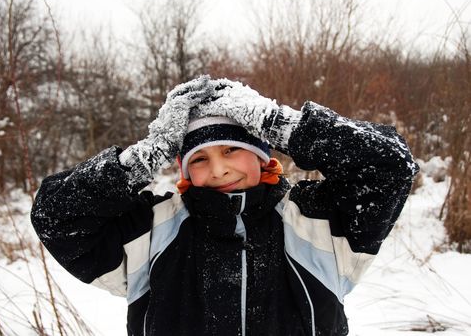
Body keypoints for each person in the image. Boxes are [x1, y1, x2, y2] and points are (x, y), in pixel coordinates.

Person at [31, 76, 419, 336]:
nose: (218, 169)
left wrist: (278, 122)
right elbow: (56, 216)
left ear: (264, 155)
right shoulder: (151, 230)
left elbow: (390, 165)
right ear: (182, 168)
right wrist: (147, 155)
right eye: (199, 158)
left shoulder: (317, 222)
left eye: (232, 149)